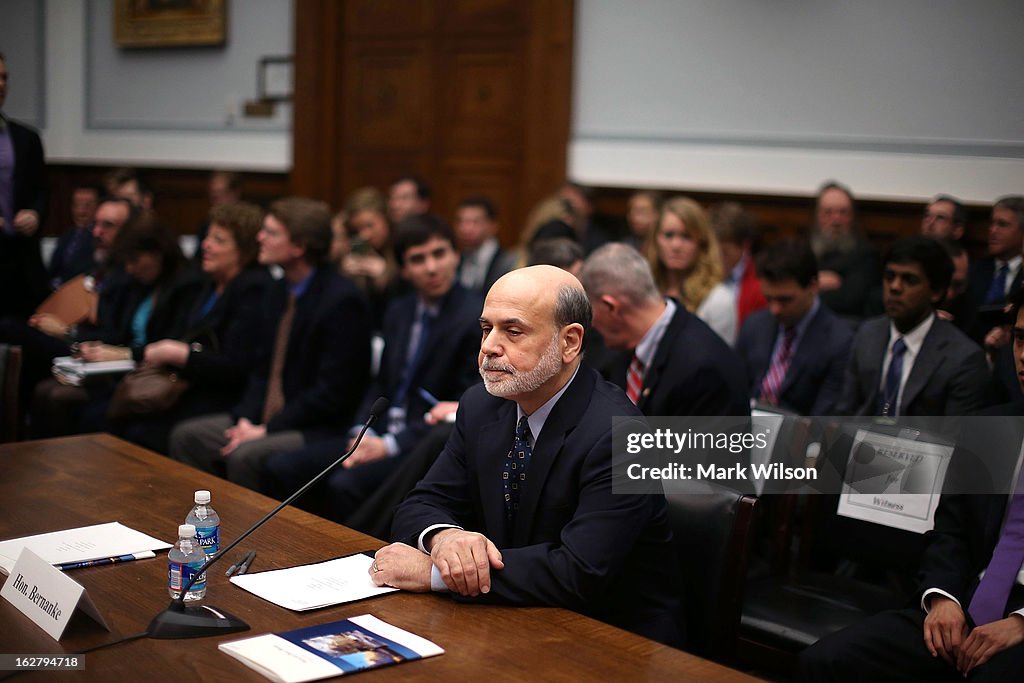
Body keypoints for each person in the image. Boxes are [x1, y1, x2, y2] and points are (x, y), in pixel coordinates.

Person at [370, 266, 683, 647]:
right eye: (486, 329)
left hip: (611, 639)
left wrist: (436, 574)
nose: (489, 347)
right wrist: (445, 539)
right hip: (509, 617)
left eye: (512, 331)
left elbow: (579, 573)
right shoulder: (481, 405)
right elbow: (422, 502)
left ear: (569, 342)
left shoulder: (624, 436)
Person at [798, 289, 1024, 682]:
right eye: (1021, 339)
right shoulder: (992, 428)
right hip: (966, 600)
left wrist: (1022, 623)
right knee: (825, 662)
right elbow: (951, 531)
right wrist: (942, 598)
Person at [261, 214, 482, 523]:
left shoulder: (475, 316)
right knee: (281, 467)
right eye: (418, 259)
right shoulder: (399, 311)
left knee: (344, 485)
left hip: (421, 445)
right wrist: (361, 431)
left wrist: (389, 445)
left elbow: (462, 406)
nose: (431, 267)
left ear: (456, 255)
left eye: (439, 254)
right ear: (403, 270)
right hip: (375, 433)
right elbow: (381, 384)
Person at [168, 197, 372, 489]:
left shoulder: (341, 300)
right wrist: (245, 420)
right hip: (267, 418)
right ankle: (205, 523)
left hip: (317, 426)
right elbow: (261, 369)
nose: (260, 238)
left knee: (246, 456)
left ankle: (249, 533)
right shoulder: (277, 291)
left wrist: (266, 430)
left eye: (272, 233)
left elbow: (331, 393)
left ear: (299, 247)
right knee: (188, 436)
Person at [113, 201, 272, 454]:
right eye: (208, 236)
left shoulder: (253, 289)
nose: (205, 245)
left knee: (145, 432)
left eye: (219, 240)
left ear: (244, 250)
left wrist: (181, 355)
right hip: (192, 385)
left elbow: (237, 366)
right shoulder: (209, 283)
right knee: (121, 415)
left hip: (224, 397)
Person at [580, 242, 748, 416]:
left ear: (611, 307)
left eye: (590, 312)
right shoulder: (623, 351)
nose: (591, 324)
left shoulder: (705, 370)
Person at [837, 236, 992, 417]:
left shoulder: (963, 359)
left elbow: (956, 439)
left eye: (909, 280)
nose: (894, 287)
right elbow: (844, 413)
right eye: (889, 276)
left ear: (936, 292)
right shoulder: (868, 333)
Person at [735, 240, 853, 416]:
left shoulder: (839, 341)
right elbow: (735, 389)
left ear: (813, 286)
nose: (774, 309)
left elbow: (824, 420)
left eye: (785, 300)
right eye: (769, 299)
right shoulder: (755, 324)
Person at [647, 196, 737, 345]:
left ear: (701, 243)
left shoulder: (718, 300)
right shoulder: (647, 289)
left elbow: (718, 362)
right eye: (668, 235)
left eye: (686, 237)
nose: (676, 245)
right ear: (655, 240)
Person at [0, 52, 49, 319]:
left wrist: (35, 213)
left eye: (5, 77)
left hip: (21, 262)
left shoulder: (25, 138)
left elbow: (42, 189)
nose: (2, 85)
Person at [809, 181, 878, 321]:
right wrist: (818, 282)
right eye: (828, 212)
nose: (836, 220)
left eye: (843, 212)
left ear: (852, 217)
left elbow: (849, 301)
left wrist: (808, 288)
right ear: (818, 216)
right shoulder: (805, 249)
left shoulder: (866, 255)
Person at [711, 201, 767, 328]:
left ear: (744, 246)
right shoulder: (698, 273)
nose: (716, 258)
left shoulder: (760, 284)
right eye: (712, 250)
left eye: (724, 252)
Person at [453, 195, 515, 293]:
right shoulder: (455, 259)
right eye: (461, 221)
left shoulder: (509, 262)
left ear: (493, 226)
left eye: (475, 222)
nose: (465, 229)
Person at [48, 184, 99, 289]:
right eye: (76, 205)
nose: (80, 212)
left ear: (98, 207)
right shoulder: (68, 234)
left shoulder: (99, 237)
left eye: (87, 206)